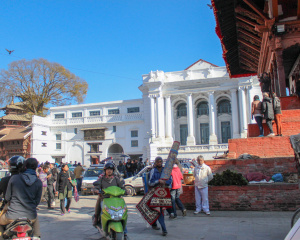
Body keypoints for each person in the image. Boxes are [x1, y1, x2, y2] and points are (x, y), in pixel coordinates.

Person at [0, 158, 42, 239]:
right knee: (35, 217)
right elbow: (37, 202)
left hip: (12, 216)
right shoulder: (38, 182)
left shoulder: (14, 178)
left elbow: (7, 197)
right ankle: (37, 236)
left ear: (25, 167)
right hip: (30, 217)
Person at [92, 163, 127, 239]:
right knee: (99, 203)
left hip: (116, 199)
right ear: (105, 170)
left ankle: (125, 232)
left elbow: (121, 186)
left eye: (111, 170)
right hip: (105, 198)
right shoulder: (102, 179)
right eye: (108, 169)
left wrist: (125, 190)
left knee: (123, 213)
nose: (109, 171)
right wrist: (96, 190)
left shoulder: (116, 179)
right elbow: (97, 186)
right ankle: (96, 218)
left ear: (113, 171)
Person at [149, 156, 172, 236]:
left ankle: (155, 223)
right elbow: (150, 182)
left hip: (164, 193)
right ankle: (164, 229)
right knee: (159, 211)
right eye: (158, 162)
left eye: (160, 162)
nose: (159, 163)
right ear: (155, 163)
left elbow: (170, 180)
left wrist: (165, 182)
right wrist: (158, 181)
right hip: (156, 193)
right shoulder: (153, 171)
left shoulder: (165, 171)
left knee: (160, 210)